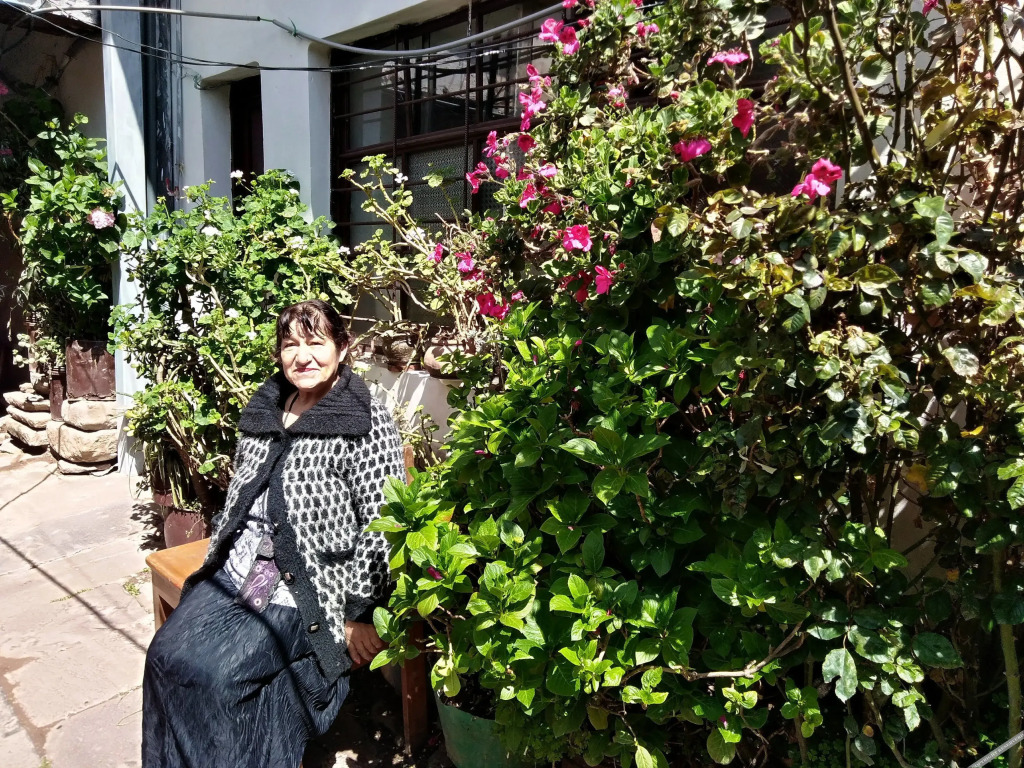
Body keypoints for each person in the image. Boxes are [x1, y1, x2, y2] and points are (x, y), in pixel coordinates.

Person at [142, 299, 405, 768]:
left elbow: (383, 522)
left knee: (221, 678)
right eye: (290, 345)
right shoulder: (267, 407)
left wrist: (362, 612)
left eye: (316, 342)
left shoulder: (365, 419)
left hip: (308, 583)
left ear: (342, 348)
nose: (302, 356)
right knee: (165, 655)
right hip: (243, 566)